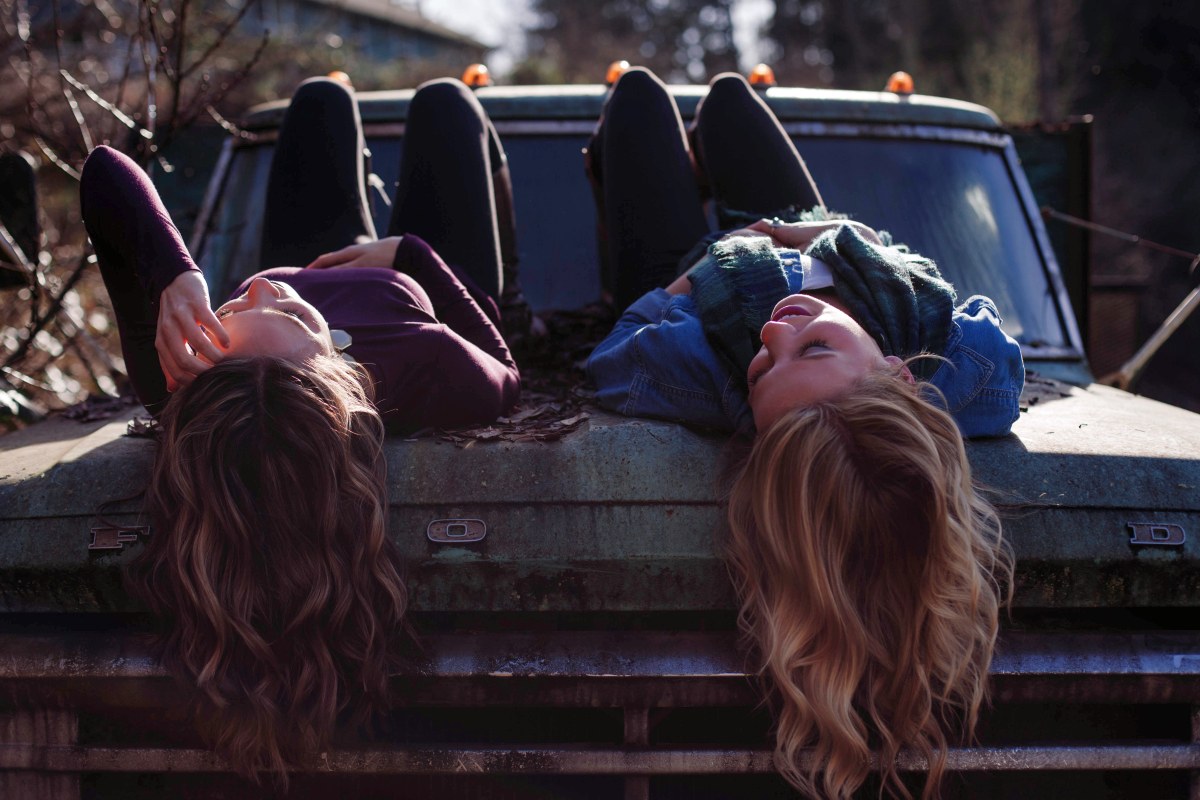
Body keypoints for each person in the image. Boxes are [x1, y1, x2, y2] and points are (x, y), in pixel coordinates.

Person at [585, 67, 1017, 799]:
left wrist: (713, 264)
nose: (774, 335)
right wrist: (816, 239)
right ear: (898, 375)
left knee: (637, 100)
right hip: (825, 240)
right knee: (729, 97)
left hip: (701, 275)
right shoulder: (962, 368)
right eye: (813, 350)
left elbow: (617, 347)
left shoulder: (699, 368)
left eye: (763, 371)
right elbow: (953, 307)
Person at [80, 76, 521, 783]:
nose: (259, 287)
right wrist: (412, 255)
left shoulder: (182, 377)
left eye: (230, 311)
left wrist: (175, 276)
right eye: (286, 316)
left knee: (318, 98)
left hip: (311, 248)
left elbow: (105, 171)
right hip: (420, 278)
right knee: (445, 102)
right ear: (335, 375)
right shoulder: (421, 363)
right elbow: (505, 367)